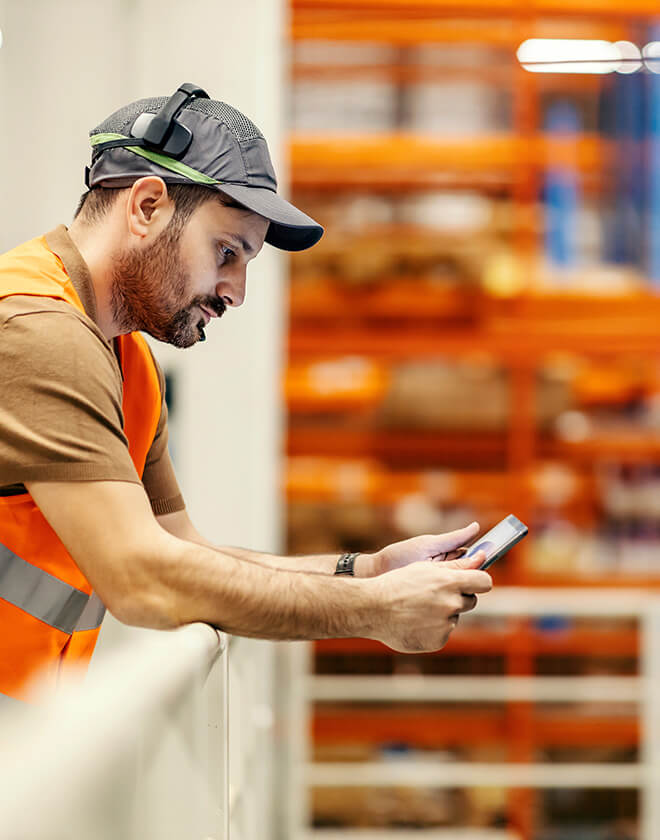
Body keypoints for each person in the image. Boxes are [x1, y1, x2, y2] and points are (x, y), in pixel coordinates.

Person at [0, 83, 492, 704]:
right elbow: (140, 578)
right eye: (226, 252)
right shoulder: (36, 332)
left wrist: (365, 571)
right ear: (147, 206)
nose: (234, 291)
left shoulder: (125, 363)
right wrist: (371, 611)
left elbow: (178, 550)